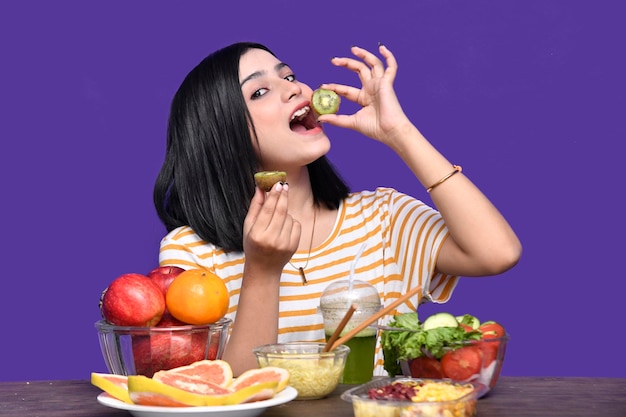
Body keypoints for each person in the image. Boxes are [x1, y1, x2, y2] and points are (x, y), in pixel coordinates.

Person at [153, 42, 522, 377]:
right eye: (260, 91)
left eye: (290, 76)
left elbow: (498, 253)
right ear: (221, 135)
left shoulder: (383, 218)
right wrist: (263, 272)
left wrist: (399, 132)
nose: (296, 88)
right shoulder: (192, 255)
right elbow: (219, 394)